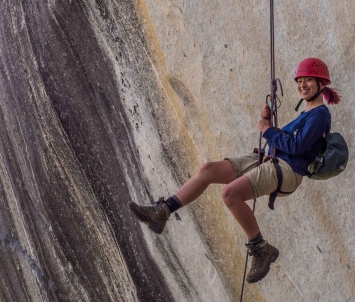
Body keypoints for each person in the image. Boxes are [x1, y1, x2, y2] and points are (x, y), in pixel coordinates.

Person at [128, 58, 341, 283]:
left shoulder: (320, 115)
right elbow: (291, 141)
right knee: (209, 169)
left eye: (309, 80)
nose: (303, 85)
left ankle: (261, 248)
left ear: (321, 84)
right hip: (274, 160)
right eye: (300, 81)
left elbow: (297, 147)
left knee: (230, 194)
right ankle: (163, 211)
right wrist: (269, 125)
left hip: (288, 170)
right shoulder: (308, 113)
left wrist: (268, 130)